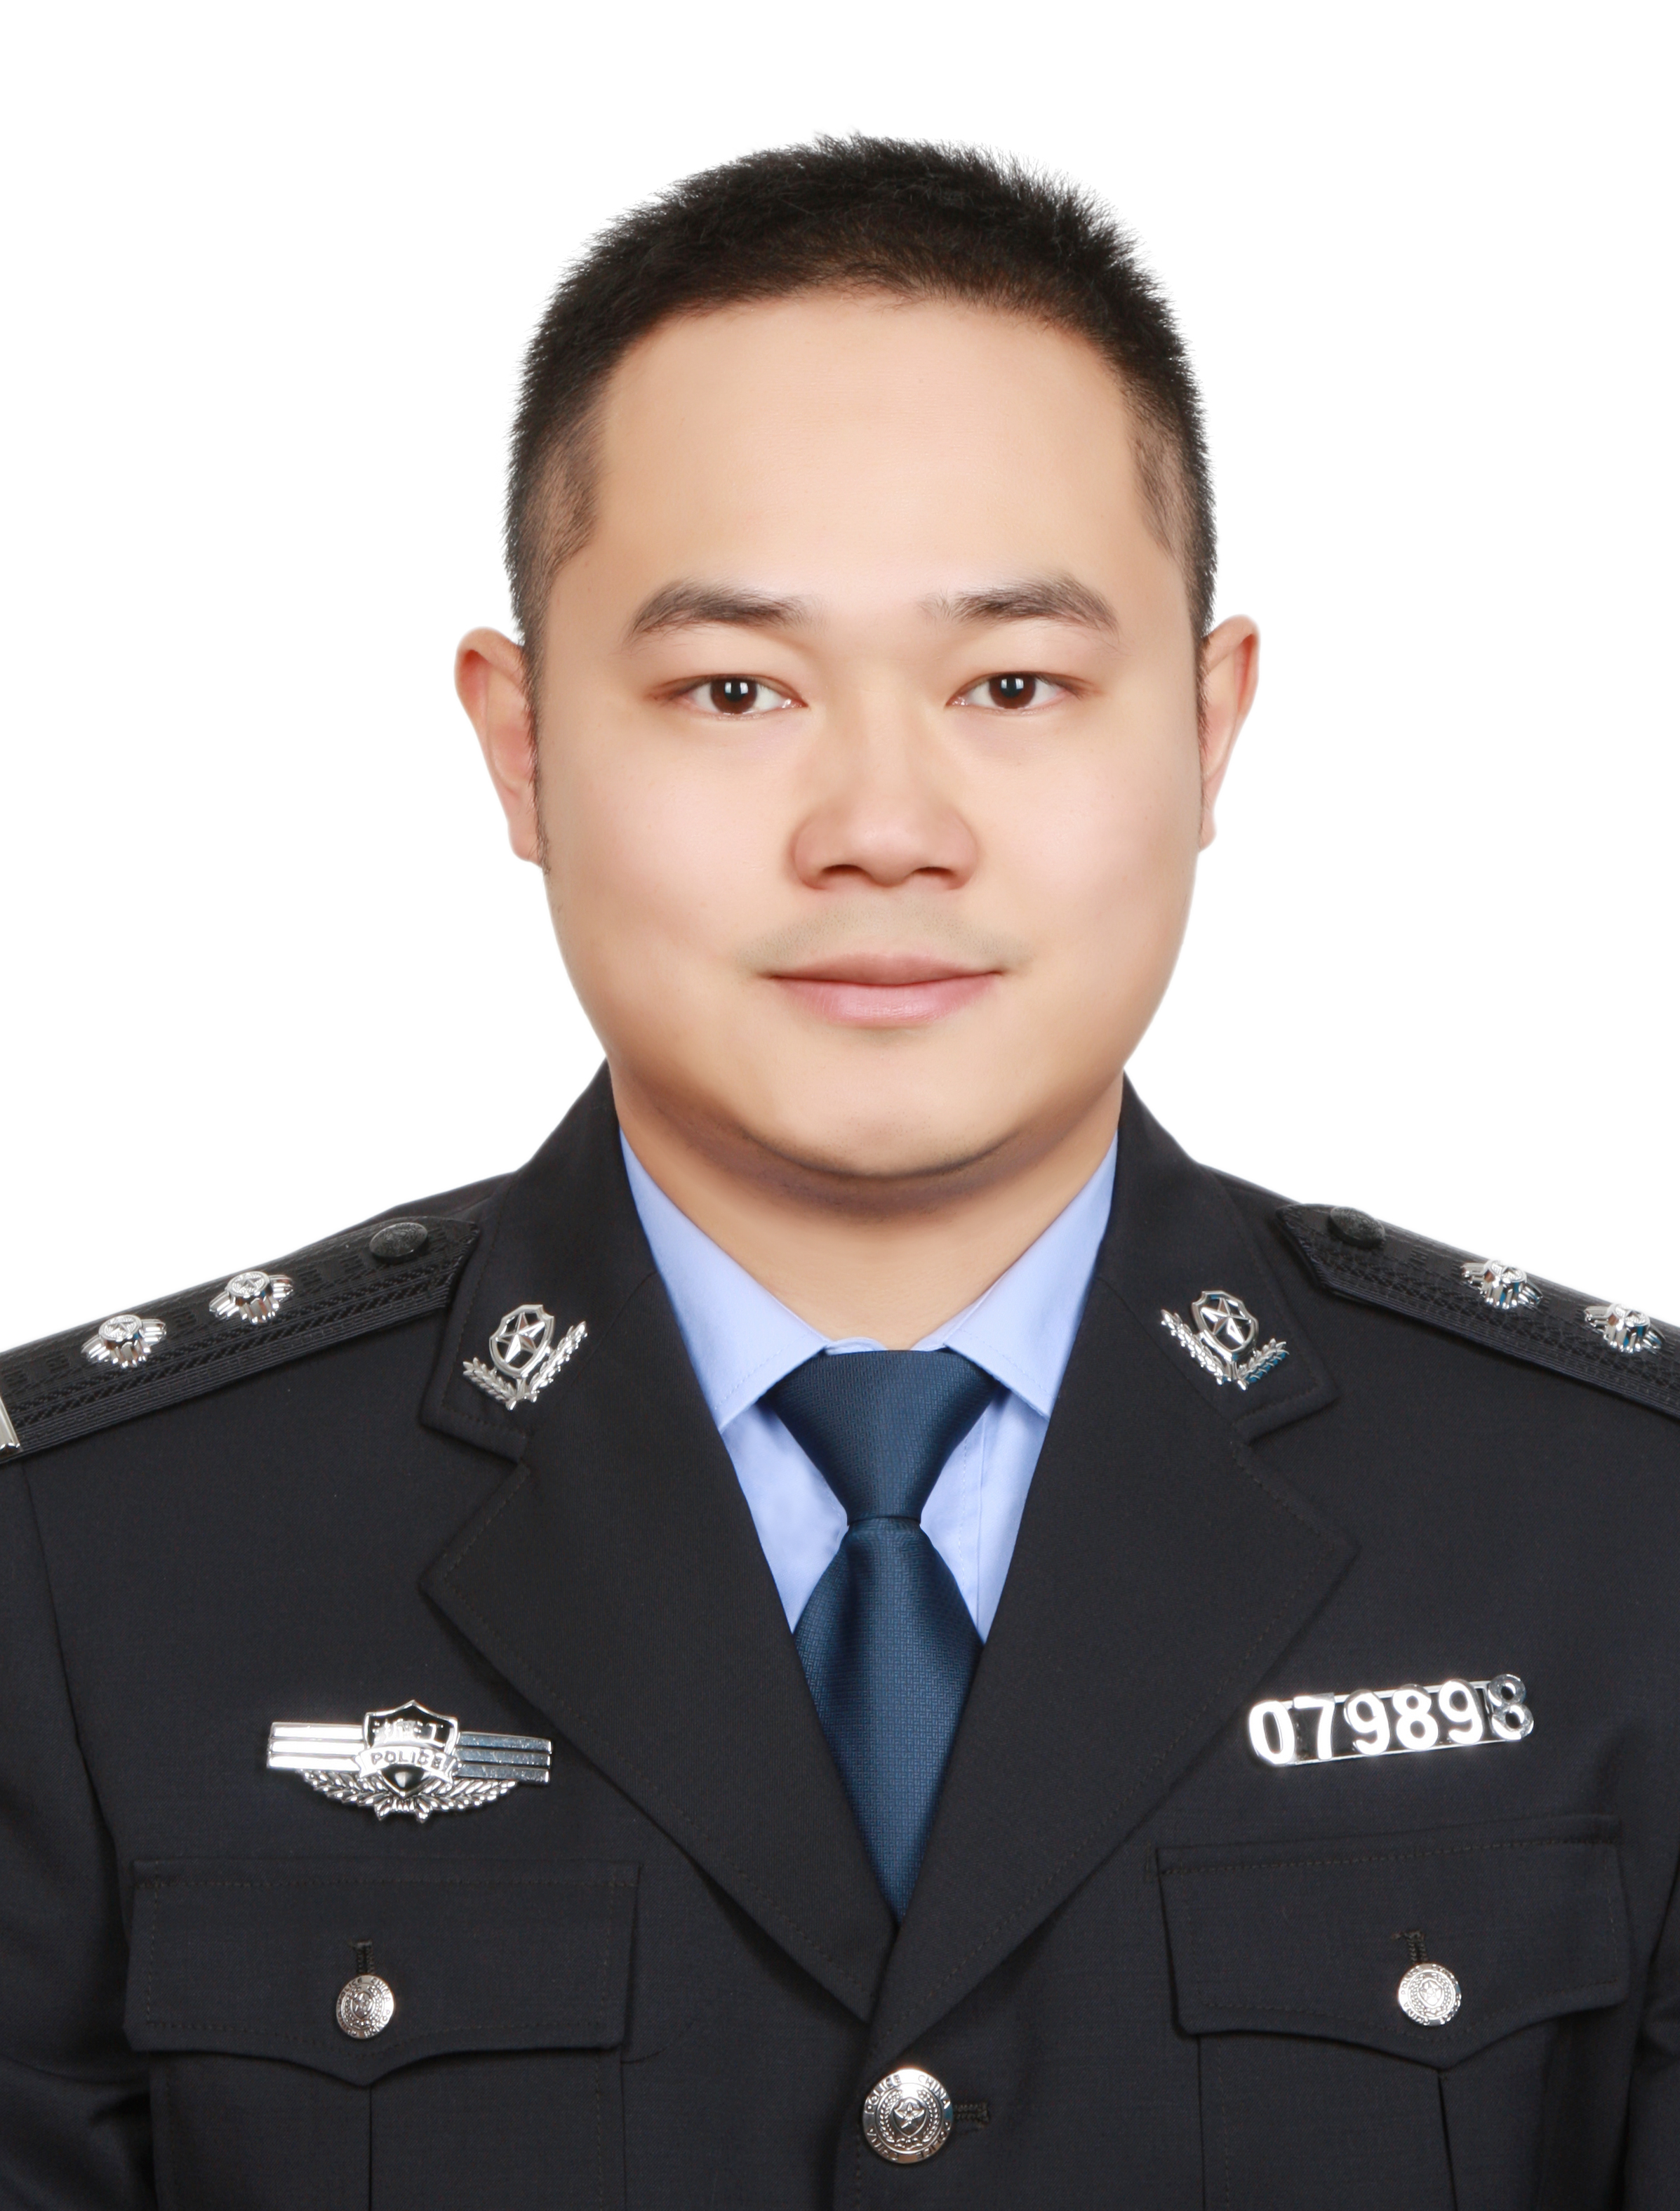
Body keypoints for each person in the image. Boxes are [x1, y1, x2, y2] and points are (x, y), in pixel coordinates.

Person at [1, 137, 1675, 2211]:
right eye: (735, 690)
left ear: (1207, 729)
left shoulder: (1620, 1535)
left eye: (1013, 685)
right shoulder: (87, 1565)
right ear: (522, 749)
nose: (883, 826)